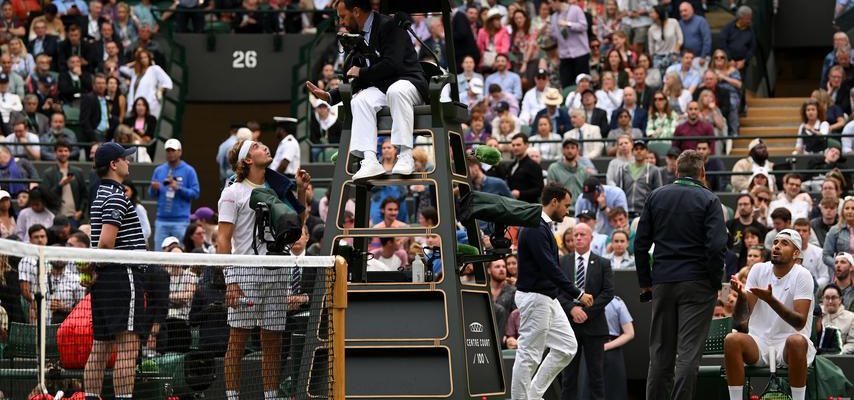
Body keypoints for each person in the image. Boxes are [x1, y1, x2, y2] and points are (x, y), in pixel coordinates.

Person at [217, 138, 309, 400]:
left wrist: (301, 191)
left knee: (273, 340)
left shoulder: (277, 188)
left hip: (278, 271)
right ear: (247, 160)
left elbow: (296, 223)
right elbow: (223, 239)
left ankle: (271, 396)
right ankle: (233, 397)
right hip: (245, 273)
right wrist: (230, 281)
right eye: (257, 146)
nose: (265, 147)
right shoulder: (232, 193)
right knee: (238, 340)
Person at [634, 150, 727, 399]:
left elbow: (640, 243)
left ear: (676, 171)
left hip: (663, 282)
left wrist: (645, 283)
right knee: (688, 353)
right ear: (702, 173)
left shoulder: (656, 196)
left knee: (660, 353)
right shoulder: (709, 200)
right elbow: (717, 246)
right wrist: (715, 281)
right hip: (698, 283)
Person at [305, 0, 426, 181]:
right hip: (383, 88)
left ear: (355, 11)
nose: (341, 22)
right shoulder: (357, 35)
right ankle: (369, 160)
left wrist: (361, 72)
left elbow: (393, 64)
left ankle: (405, 155)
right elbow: (358, 78)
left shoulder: (390, 25)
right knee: (360, 101)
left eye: (343, 16)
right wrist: (331, 95)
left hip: (409, 84)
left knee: (396, 91)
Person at [512, 184, 592, 399]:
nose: (568, 211)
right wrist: (578, 294)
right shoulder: (535, 227)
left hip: (547, 297)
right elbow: (549, 267)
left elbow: (550, 269)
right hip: (535, 297)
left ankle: (532, 395)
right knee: (529, 355)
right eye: (566, 205)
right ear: (554, 202)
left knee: (566, 346)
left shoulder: (540, 226)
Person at [83, 142, 148, 400]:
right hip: (123, 275)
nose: (128, 163)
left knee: (101, 346)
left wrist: (94, 270)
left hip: (106, 280)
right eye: (125, 159)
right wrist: (97, 266)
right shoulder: (115, 196)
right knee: (128, 348)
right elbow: (107, 243)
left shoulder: (100, 194)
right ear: (114, 164)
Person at [724, 229, 816, 400]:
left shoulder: (803, 275)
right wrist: (742, 298)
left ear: (796, 253)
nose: (777, 246)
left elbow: (799, 323)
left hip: (790, 344)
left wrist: (771, 300)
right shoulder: (758, 270)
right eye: (775, 242)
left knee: (796, 341)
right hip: (760, 342)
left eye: (784, 243)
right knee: (732, 340)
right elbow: (740, 321)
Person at [558, 222, 614, 400]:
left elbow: (608, 292)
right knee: (568, 376)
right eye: (576, 235)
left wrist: (587, 312)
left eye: (583, 234)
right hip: (569, 325)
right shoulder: (562, 262)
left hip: (594, 325)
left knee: (596, 376)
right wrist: (572, 308)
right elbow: (556, 291)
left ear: (591, 238)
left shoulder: (603, 263)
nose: (579, 238)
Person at [149, 139, 199, 251]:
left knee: (180, 252)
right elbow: (151, 194)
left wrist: (179, 188)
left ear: (180, 152)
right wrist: (154, 188)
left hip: (180, 221)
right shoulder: (159, 170)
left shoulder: (188, 171)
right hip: (162, 219)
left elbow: (195, 193)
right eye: (168, 151)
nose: (170, 153)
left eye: (173, 151)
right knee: (158, 254)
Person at [42, 140, 87, 223]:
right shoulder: (48, 173)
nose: (63, 153)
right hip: (55, 217)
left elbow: (84, 195)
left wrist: (81, 211)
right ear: (55, 153)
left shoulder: (77, 172)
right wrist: (60, 185)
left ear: (69, 153)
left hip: (74, 217)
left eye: (66, 151)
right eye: (60, 151)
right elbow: (47, 196)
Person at [615, 140, 663, 217]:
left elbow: (658, 193)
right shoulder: (623, 169)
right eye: (636, 149)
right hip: (626, 212)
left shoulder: (654, 170)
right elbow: (619, 190)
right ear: (632, 152)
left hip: (645, 212)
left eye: (641, 149)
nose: (639, 151)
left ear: (647, 152)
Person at [121, 49, 172, 119]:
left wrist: (160, 90)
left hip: (150, 102)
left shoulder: (154, 69)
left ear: (149, 58)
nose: (143, 60)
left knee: (147, 125)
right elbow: (122, 69)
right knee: (136, 127)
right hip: (135, 104)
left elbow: (167, 81)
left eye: (145, 57)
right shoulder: (135, 72)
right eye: (141, 58)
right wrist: (135, 63)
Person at [550, 0, 589, 89]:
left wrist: (568, 24)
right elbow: (554, 36)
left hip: (580, 53)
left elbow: (584, 26)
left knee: (583, 83)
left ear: (557, 1)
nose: (550, 5)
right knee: (566, 84)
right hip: (565, 56)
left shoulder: (576, 10)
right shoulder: (553, 17)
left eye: (551, 2)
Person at [505, 133, 544, 203]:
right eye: (513, 145)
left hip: (528, 207)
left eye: (518, 145)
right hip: (512, 205)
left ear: (526, 145)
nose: (515, 147)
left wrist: (520, 193)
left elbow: (539, 190)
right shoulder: (511, 166)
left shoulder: (534, 166)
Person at [819, 284, 854, 354]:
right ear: (823, 299)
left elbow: (852, 343)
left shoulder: (851, 318)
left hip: (840, 359)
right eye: (827, 298)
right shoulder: (816, 316)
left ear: (840, 300)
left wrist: (837, 353)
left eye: (834, 298)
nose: (830, 301)